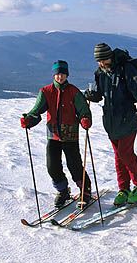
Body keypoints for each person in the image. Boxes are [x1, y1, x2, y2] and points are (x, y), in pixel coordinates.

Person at [84, 43, 137, 206]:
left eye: (103, 60)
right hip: (111, 121)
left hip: (128, 117)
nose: (101, 64)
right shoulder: (100, 73)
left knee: (125, 153)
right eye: (98, 61)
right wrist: (91, 95)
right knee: (118, 156)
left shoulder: (126, 69)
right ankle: (124, 189)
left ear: (110, 56)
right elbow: (100, 95)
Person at [21, 60, 93, 208]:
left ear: (67, 75)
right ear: (54, 75)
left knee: (75, 165)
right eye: (57, 74)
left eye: (63, 74)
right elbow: (37, 111)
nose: (60, 77)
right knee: (52, 166)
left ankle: (85, 190)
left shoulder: (74, 92)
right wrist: (28, 120)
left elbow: (84, 111)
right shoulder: (46, 92)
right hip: (53, 135)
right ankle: (63, 191)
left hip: (70, 135)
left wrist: (85, 119)